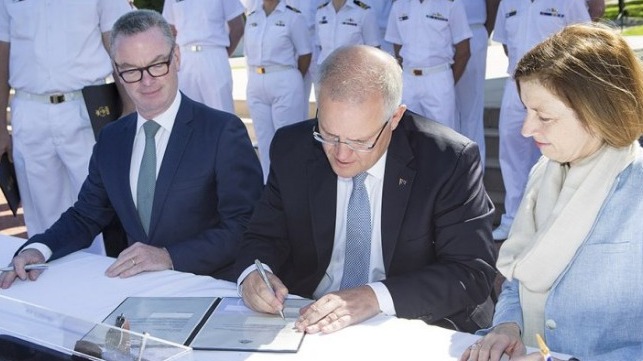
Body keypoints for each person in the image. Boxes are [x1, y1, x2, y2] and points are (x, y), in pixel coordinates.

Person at [235, 45, 497, 334]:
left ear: (395, 118)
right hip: (309, 317)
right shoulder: (292, 147)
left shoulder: (447, 160)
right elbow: (263, 236)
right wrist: (254, 275)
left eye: (360, 141)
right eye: (329, 135)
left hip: (410, 321)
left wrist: (374, 296)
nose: (342, 154)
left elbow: (470, 273)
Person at [0, 9, 263, 289]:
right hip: (134, 291)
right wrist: (40, 247)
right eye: (132, 70)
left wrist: (168, 257)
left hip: (207, 286)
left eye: (156, 64)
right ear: (118, 72)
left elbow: (247, 225)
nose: (146, 80)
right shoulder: (112, 139)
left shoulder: (222, 132)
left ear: (176, 58)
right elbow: (86, 215)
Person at [461, 24, 643, 361]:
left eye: (543, 116)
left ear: (598, 113)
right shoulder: (544, 171)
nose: (527, 129)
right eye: (527, 111)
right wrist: (507, 326)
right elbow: (520, 279)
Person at [0, 0, 133, 254]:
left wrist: (129, 109)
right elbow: (2, 52)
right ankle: (49, 285)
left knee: (100, 209)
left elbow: (118, 42)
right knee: (42, 217)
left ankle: (102, 287)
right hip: (30, 110)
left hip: (87, 110)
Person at [490, 1, 590, 241]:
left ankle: (549, 218)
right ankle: (514, 218)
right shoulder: (508, 2)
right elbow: (505, 43)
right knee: (511, 151)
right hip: (515, 86)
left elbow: (582, 40)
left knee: (554, 152)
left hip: (555, 90)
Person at [244, 0, 312, 181]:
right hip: (256, 79)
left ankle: (293, 186)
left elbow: (305, 53)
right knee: (264, 140)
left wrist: (293, 79)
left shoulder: (293, 16)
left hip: (284, 77)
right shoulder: (252, 17)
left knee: (288, 140)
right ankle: (269, 186)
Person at [385, 0, 471, 130]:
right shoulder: (399, 5)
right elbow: (398, 46)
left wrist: (446, 82)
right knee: (407, 134)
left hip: (438, 77)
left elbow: (464, 51)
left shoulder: (451, 4)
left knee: (444, 136)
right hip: (408, 79)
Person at [162, 0, 245, 114]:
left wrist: (222, 54)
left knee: (221, 113)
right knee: (188, 113)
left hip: (213, 54)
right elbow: (169, 29)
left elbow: (237, 27)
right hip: (184, 58)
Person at [454, 0, 500, 167]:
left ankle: (473, 171)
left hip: (473, 29)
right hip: (438, 32)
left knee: (471, 111)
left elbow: (493, 3)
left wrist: (484, 31)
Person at [313, 0, 380, 95]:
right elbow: (320, 46)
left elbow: (374, 51)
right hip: (325, 76)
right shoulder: (321, 12)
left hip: (353, 78)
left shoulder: (364, 12)